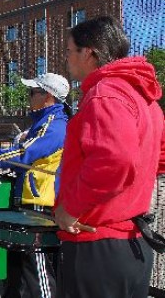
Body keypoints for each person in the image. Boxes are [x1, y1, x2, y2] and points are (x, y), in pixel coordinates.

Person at [54, 16, 164, 298]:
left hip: (97, 244)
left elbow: (114, 160)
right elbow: (158, 157)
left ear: (88, 52)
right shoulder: (145, 99)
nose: (66, 59)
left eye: (69, 51)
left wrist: (71, 208)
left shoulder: (105, 93)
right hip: (132, 245)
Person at [0, 72, 70, 298]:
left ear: (48, 96)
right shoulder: (43, 123)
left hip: (39, 206)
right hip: (28, 202)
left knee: (39, 275)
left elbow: (22, 154)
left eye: (32, 92)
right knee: (17, 271)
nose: (28, 97)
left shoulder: (54, 125)